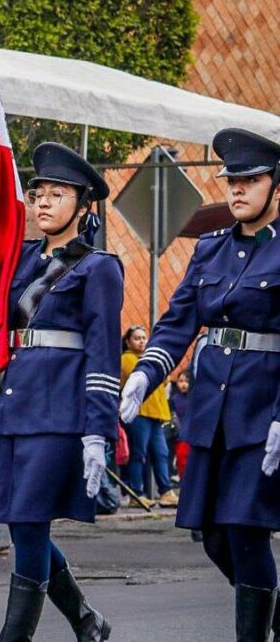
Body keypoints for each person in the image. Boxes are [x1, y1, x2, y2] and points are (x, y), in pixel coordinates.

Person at [0, 143, 121, 641]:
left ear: (84, 207)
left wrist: (97, 430)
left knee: (28, 525)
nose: (43, 202)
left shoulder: (98, 267)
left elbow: (103, 352)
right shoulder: (20, 257)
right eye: (38, 193)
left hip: (60, 413)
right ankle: (87, 622)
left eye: (57, 194)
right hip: (17, 406)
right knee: (26, 526)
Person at [120, 128, 280, 640]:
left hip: (264, 408)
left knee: (246, 530)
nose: (237, 189)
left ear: (277, 186)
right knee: (213, 535)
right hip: (212, 410)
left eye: (251, 180)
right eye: (232, 180)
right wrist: (145, 374)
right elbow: (178, 321)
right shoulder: (210, 250)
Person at [119, 325, 178, 507]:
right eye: (137, 338)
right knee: (138, 454)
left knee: (162, 453)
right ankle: (136, 494)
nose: (142, 341)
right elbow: (156, 375)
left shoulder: (148, 359)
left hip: (156, 413)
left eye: (144, 338)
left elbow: (165, 377)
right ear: (128, 342)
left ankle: (166, 491)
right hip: (139, 413)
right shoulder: (127, 359)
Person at [169, 369, 193, 481]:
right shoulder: (174, 399)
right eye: (181, 381)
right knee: (181, 458)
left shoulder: (194, 398)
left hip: (192, 434)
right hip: (179, 434)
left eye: (186, 381)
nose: (183, 384)